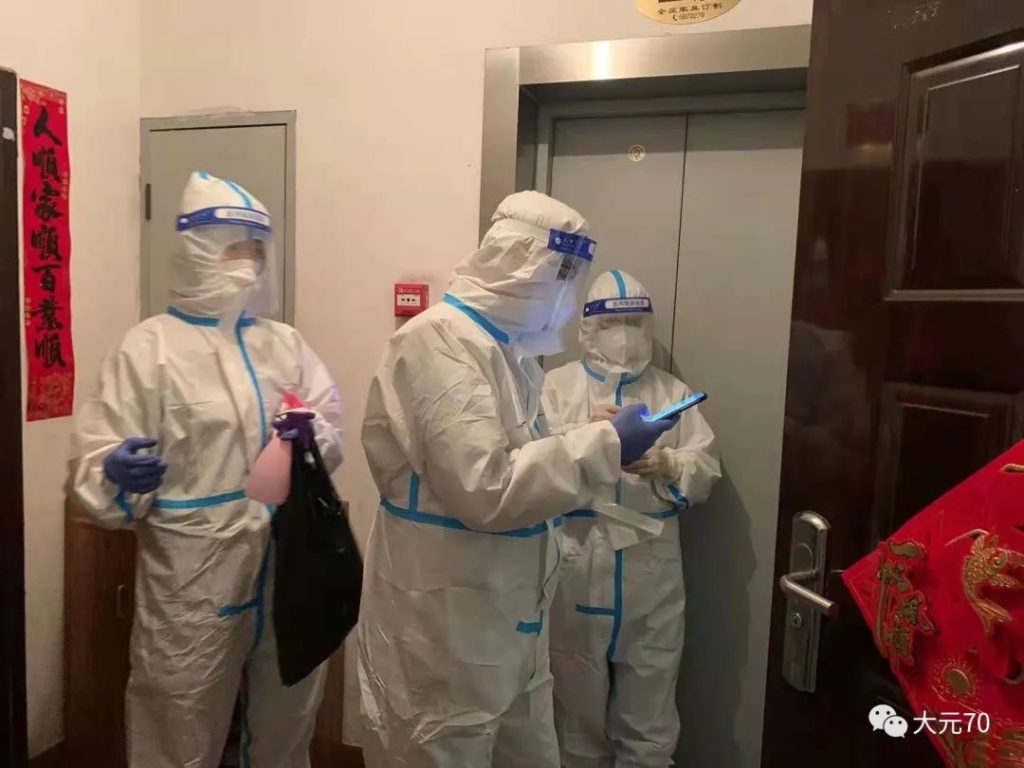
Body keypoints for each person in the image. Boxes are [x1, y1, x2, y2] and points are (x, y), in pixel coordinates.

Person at [357, 192, 678, 768]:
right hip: (446, 623)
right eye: (563, 275)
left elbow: (518, 450)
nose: (567, 295)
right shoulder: (438, 343)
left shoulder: (508, 353)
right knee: (441, 748)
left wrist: (587, 432)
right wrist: (605, 445)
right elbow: (485, 487)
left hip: (508, 617)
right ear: (521, 266)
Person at [68, 171, 344, 768]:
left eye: (257, 249)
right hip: (194, 574)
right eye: (235, 248)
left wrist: (311, 436)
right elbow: (98, 460)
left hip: (287, 559)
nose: (250, 262)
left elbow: (330, 424)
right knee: (178, 716)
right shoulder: (148, 349)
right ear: (198, 250)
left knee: (288, 716)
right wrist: (112, 474)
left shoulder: (283, 344)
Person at [542, 268, 721, 768]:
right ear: (587, 329)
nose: (623, 336)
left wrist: (667, 464)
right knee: (573, 721)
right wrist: (582, 437)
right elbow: (527, 462)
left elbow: (706, 467)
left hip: (651, 577)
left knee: (650, 719)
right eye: (610, 324)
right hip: (577, 565)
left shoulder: (672, 393)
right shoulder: (555, 389)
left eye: (635, 323)